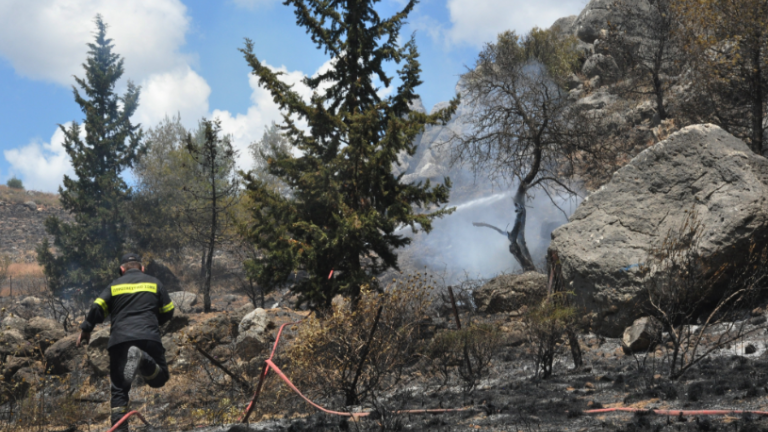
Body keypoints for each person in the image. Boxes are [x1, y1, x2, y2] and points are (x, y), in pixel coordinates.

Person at [77, 253, 175, 431]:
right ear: (142, 268)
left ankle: (119, 428)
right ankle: (143, 359)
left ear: (122, 270)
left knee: (120, 389)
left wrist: (86, 329)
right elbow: (169, 310)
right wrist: (153, 322)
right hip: (148, 338)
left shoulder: (114, 286)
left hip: (120, 341)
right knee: (159, 379)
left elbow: (97, 307)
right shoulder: (154, 283)